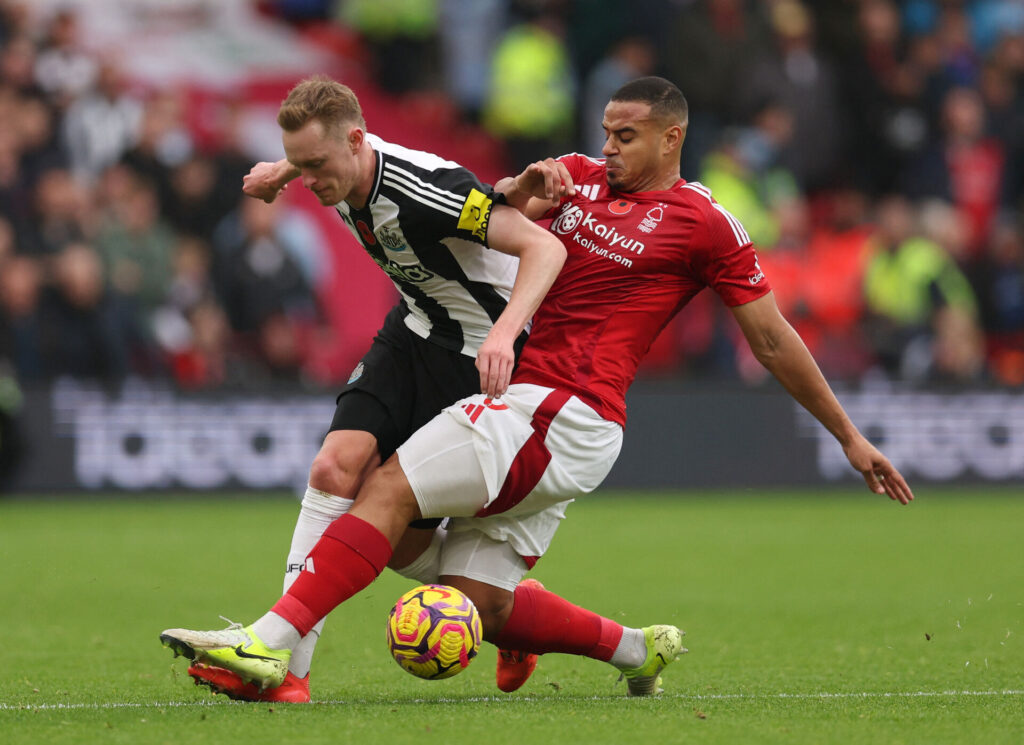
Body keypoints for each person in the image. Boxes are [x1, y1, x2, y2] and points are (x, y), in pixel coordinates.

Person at [161, 77, 913, 698]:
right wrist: (520, 186)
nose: (607, 148)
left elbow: (772, 337)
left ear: (670, 139)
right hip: (541, 405)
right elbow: (462, 208)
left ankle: (272, 646)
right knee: (477, 601)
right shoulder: (575, 177)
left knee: (384, 489)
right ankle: (635, 650)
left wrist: (848, 435)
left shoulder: (705, 223)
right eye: (607, 131)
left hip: (563, 406)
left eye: (626, 136)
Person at [184, 75, 567, 703]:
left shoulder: (428, 192)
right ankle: (289, 670)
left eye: (316, 167)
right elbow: (319, 150)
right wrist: (279, 174)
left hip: (475, 356)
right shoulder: (333, 162)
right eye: (300, 166)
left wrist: (504, 333)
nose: (311, 180)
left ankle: (511, 611)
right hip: (413, 330)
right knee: (334, 470)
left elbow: (543, 247)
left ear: (358, 142)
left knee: (395, 536)